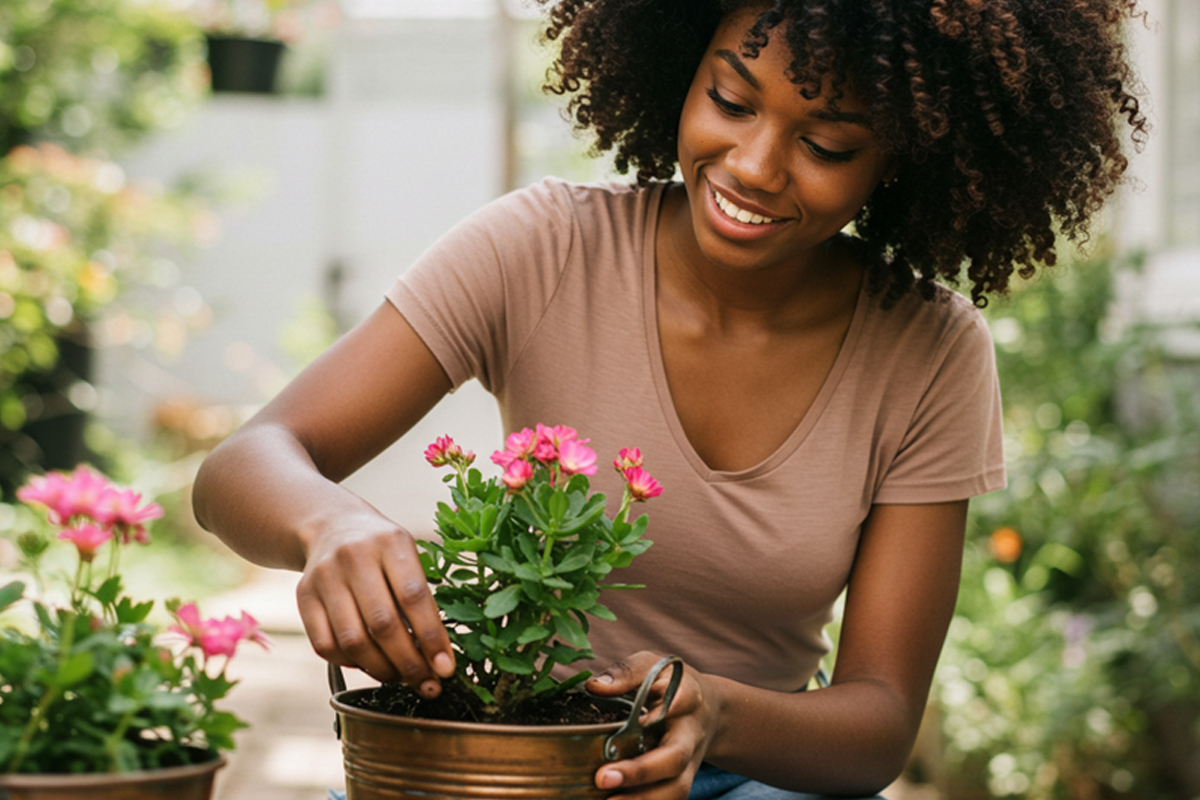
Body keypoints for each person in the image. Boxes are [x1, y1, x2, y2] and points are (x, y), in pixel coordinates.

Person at [192, 1, 1147, 797]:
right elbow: (244, 464)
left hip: (746, 773)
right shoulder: (543, 252)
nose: (754, 166)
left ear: (901, 159)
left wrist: (717, 714)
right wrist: (327, 525)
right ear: (681, 69)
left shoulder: (928, 352)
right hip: (500, 755)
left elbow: (880, 721)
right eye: (731, 99)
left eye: (825, 144)